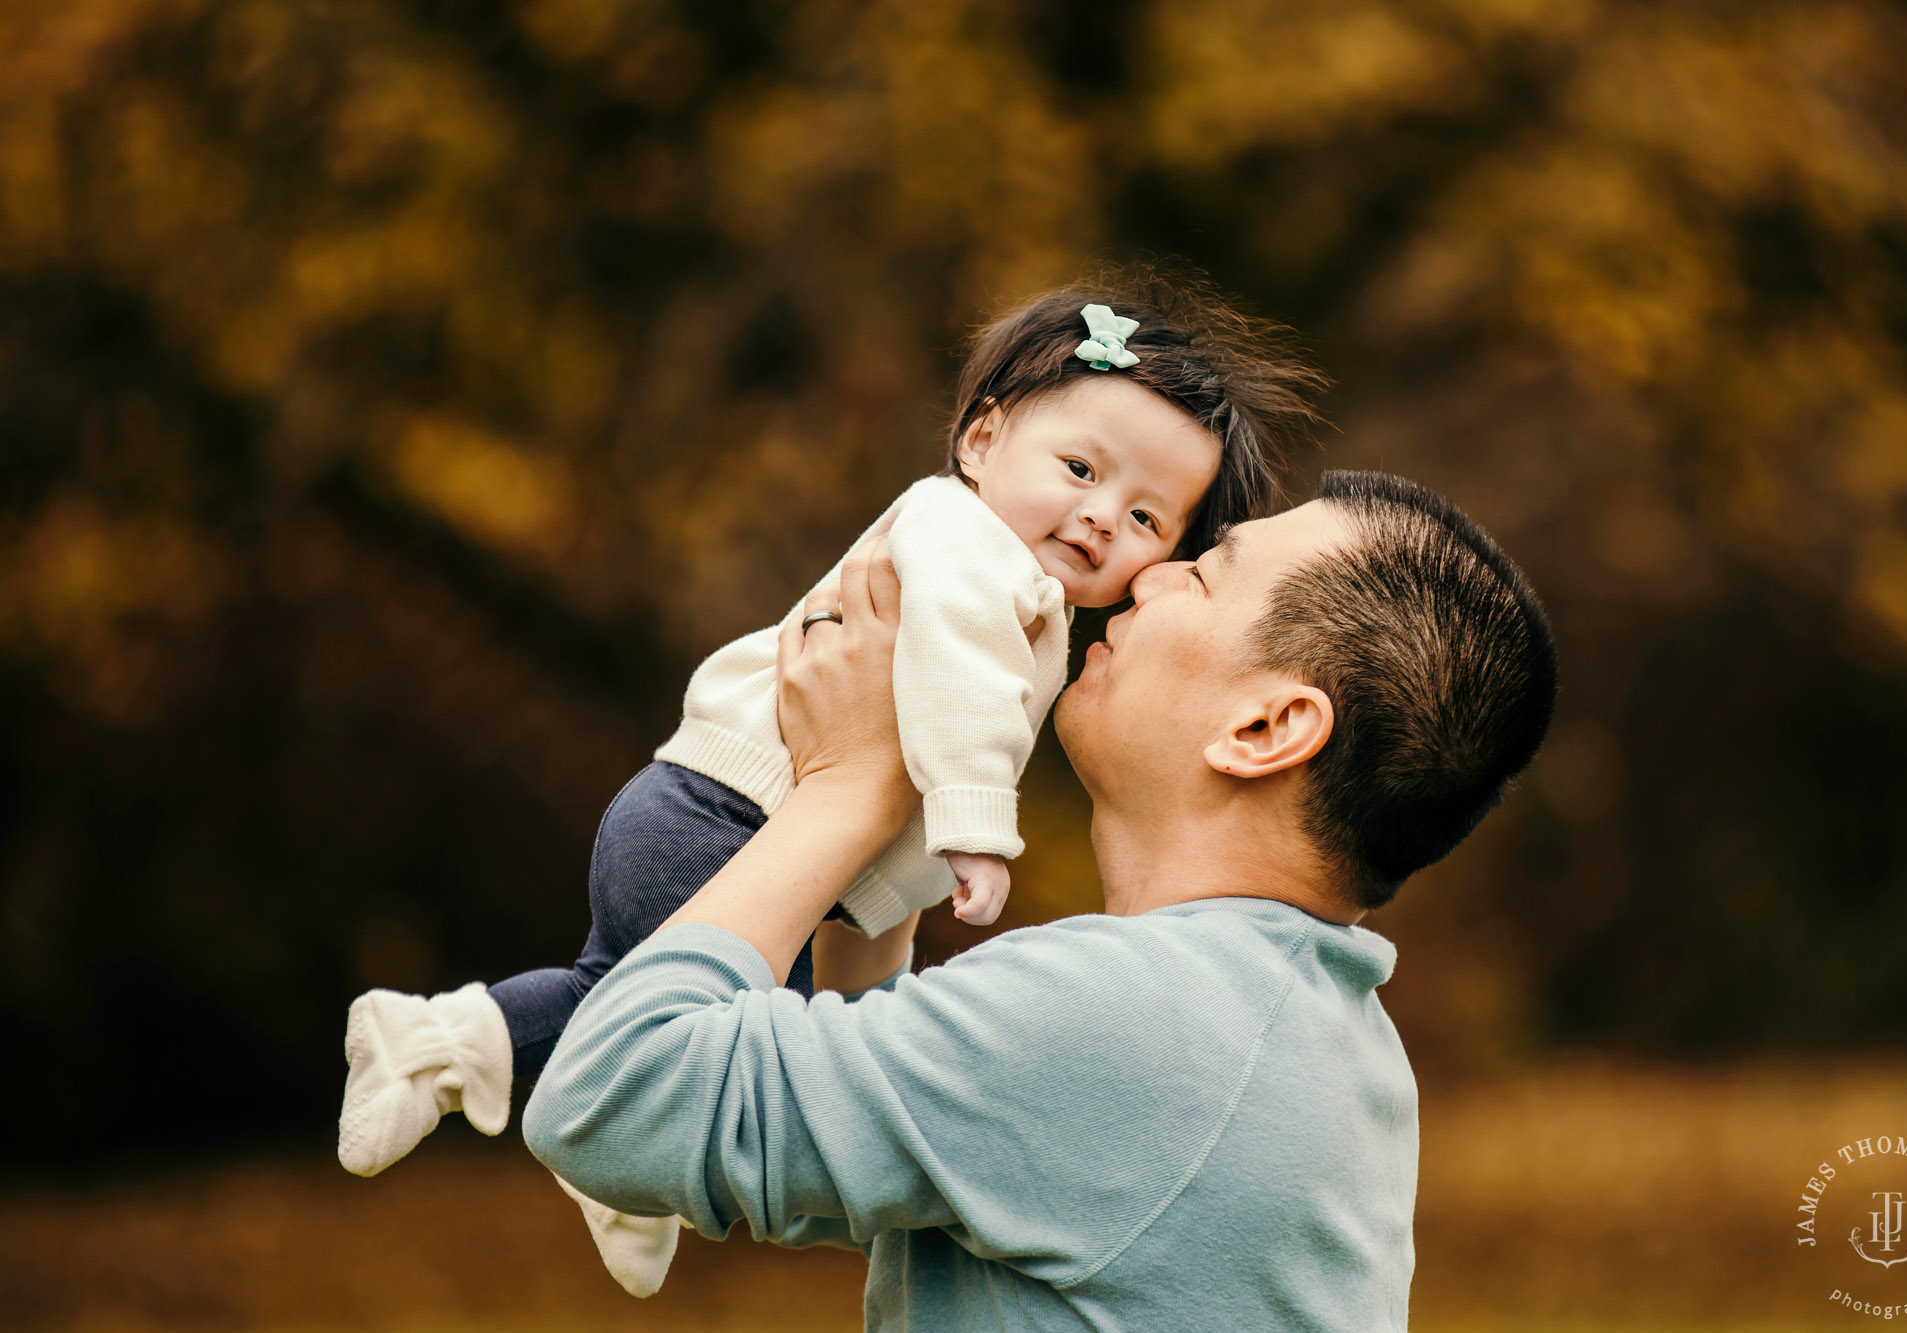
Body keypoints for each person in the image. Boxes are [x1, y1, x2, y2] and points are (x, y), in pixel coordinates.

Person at [334, 273, 1328, 1297]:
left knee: (654, 1009)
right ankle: (556, 1116)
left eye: (1146, 519)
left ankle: (490, 1077)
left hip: (716, 819)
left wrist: (897, 912)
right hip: (727, 820)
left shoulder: (1021, 584)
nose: (1096, 519)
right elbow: (949, 678)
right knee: (732, 1051)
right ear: (981, 439)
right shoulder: (961, 543)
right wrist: (973, 828)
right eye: (1076, 468)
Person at [523, 469, 1560, 1330]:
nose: (1148, 578)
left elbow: (613, 1101)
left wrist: (847, 788)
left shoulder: (1129, 1014)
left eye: (1203, 574)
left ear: (1264, 728)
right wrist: (901, 818)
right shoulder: (1296, 1031)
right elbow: (862, 1142)